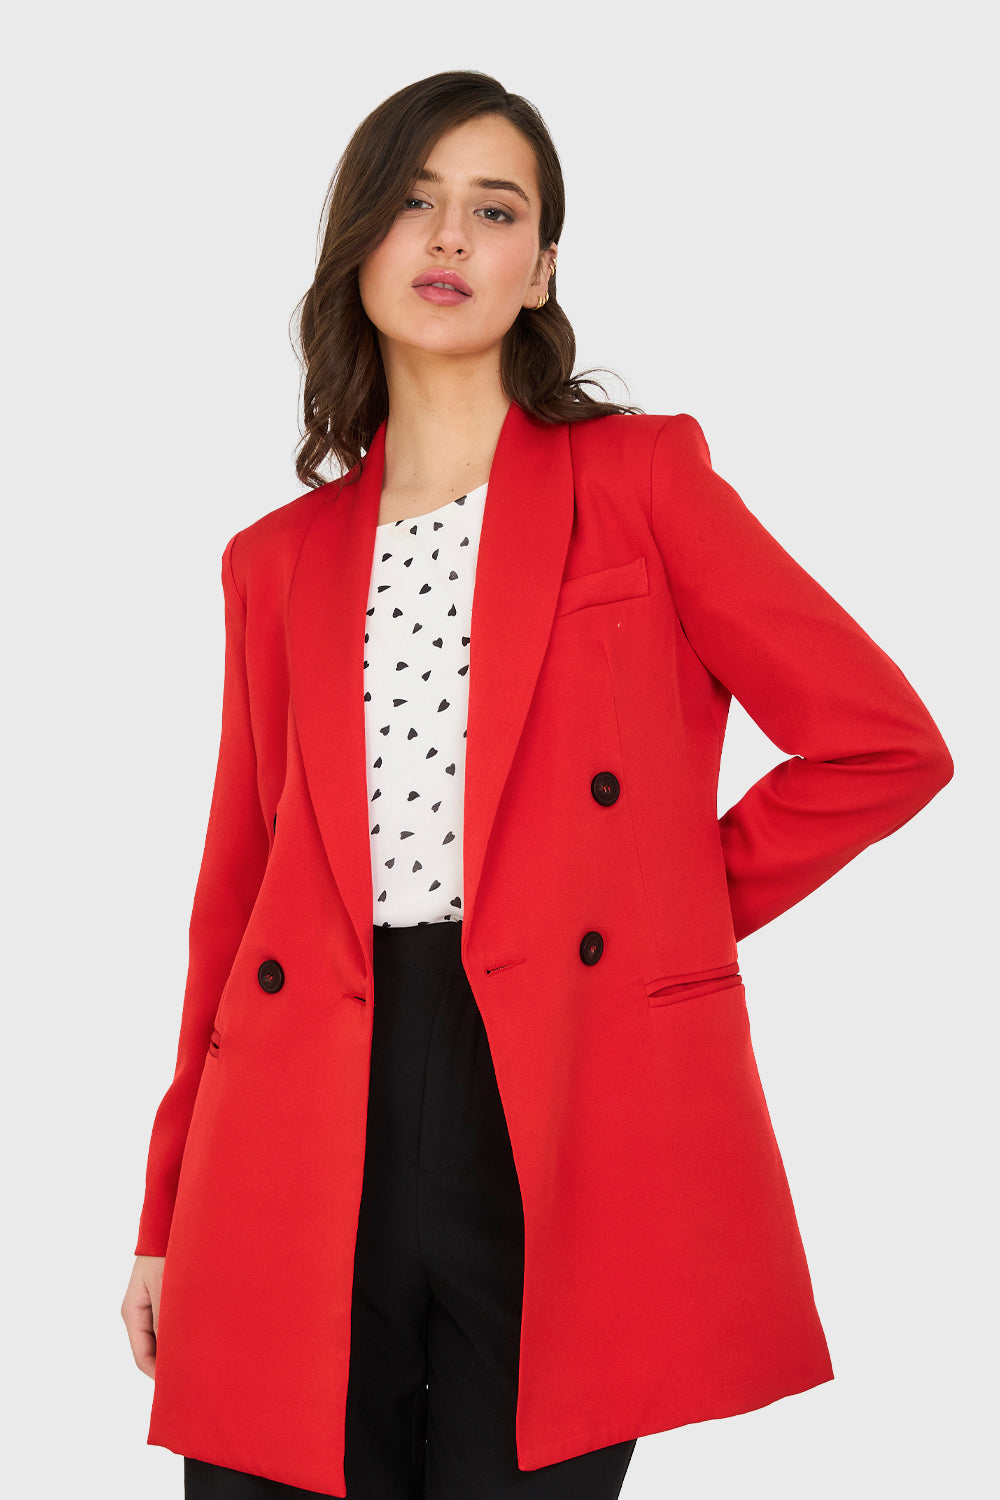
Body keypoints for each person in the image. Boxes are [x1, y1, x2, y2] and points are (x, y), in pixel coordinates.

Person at [121, 70, 954, 1500]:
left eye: (494, 209)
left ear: (542, 267)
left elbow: (881, 745)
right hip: (298, 1108)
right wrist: (163, 1208)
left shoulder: (641, 481)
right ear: (359, 244)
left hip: (556, 1086)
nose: (450, 234)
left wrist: (659, 904)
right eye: (413, 199)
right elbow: (233, 900)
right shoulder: (274, 563)